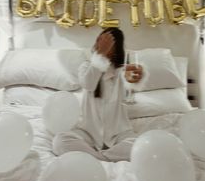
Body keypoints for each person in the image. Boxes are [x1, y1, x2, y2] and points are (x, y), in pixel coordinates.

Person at [52, 27, 148, 162]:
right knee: (60, 141)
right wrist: (101, 55)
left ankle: (97, 158)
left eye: (108, 42)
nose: (101, 44)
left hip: (119, 133)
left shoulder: (122, 71)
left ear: (117, 48)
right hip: (88, 133)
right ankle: (103, 158)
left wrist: (136, 78)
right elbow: (88, 83)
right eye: (100, 40)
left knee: (140, 146)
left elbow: (129, 82)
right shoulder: (86, 67)